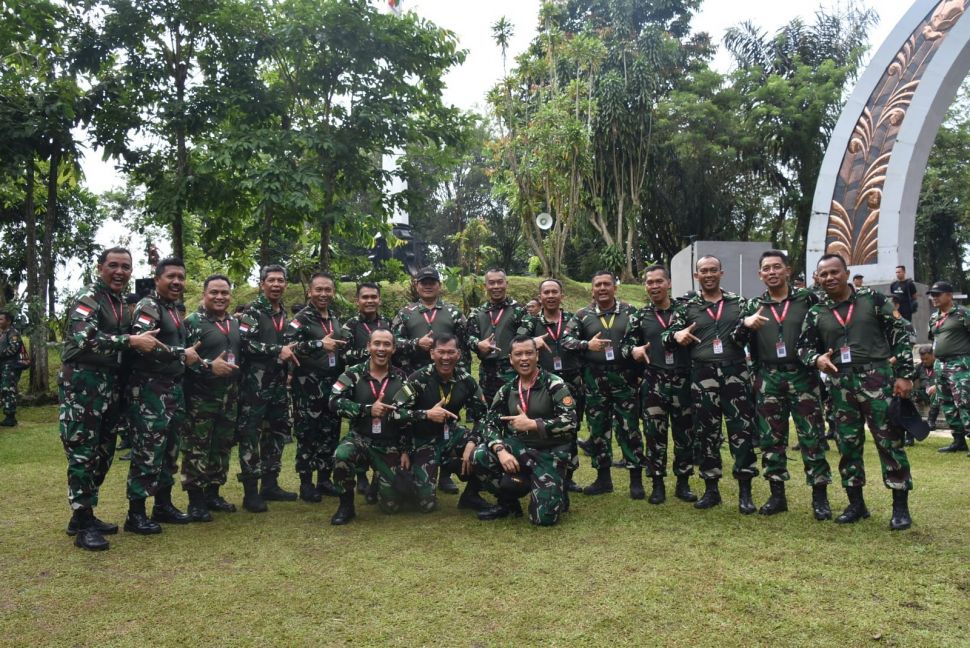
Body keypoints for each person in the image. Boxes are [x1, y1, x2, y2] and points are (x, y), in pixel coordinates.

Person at [797, 253, 916, 531]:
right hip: (840, 384)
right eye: (823, 274)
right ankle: (856, 504)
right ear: (818, 277)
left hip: (877, 379)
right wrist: (816, 359)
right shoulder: (817, 311)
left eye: (834, 272)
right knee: (847, 444)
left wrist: (905, 376)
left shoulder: (872, 300)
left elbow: (900, 332)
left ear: (847, 273)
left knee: (889, 441)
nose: (829, 278)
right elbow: (802, 347)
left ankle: (900, 507)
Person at [58, 248, 165, 550]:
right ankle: (83, 521)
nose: (120, 272)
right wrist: (130, 340)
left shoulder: (120, 302)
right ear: (100, 267)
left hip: (108, 388)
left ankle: (83, 516)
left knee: (103, 454)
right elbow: (83, 338)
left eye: (126, 267)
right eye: (113, 266)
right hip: (82, 386)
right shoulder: (88, 297)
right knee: (83, 453)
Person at [734, 251, 833, 520]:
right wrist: (745, 323)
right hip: (768, 377)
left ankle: (820, 497)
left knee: (812, 437)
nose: (772, 272)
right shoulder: (754, 304)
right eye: (766, 268)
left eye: (777, 267)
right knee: (770, 439)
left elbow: (826, 327)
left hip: (802, 375)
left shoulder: (807, 299)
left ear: (787, 271)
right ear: (760, 274)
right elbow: (735, 339)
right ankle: (777, 495)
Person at [663, 255, 759, 514]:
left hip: (735, 372)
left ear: (721, 273)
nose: (708, 274)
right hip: (702, 374)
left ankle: (745, 492)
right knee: (706, 433)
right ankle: (711, 489)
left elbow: (750, 332)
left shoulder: (739, 303)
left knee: (741, 431)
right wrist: (676, 334)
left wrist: (746, 325)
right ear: (697, 275)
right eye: (703, 271)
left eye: (713, 270)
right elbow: (665, 335)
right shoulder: (687, 307)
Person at [125, 257, 202, 535]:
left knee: (170, 451)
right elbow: (143, 344)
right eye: (171, 276)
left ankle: (163, 505)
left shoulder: (174, 310)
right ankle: (136, 514)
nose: (177, 282)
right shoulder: (149, 306)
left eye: (181, 277)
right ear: (157, 279)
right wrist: (182, 354)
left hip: (173, 389)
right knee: (148, 452)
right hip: (150, 391)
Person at [473, 335, 577, 526]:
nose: (524, 358)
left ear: (537, 355)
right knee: (480, 455)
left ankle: (554, 488)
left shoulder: (554, 385)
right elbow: (490, 424)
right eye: (518, 354)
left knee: (543, 519)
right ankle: (507, 501)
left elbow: (571, 422)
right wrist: (500, 450)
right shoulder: (506, 390)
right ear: (511, 359)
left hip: (549, 452)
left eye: (529, 353)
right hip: (519, 448)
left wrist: (533, 425)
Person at [562, 270, 646, 499]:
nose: (602, 288)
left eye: (606, 284)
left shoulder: (630, 312)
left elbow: (641, 340)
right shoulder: (582, 315)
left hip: (624, 379)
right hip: (594, 381)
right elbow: (565, 340)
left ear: (614, 287)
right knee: (598, 430)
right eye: (597, 285)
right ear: (592, 289)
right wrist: (586, 345)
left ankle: (635, 479)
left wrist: (639, 374)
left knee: (629, 429)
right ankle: (603, 478)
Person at [621, 265, 697, 505]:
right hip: (654, 381)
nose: (654, 286)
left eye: (658, 281)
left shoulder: (686, 311)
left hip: (683, 379)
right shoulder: (639, 316)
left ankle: (683, 483)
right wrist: (632, 350)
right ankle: (657, 483)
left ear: (669, 283)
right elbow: (624, 346)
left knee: (684, 434)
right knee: (655, 434)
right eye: (649, 282)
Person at [392, 333, 490, 512]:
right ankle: (418, 476)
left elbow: (483, 416)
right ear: (432, 354)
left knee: (484, 451)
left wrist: (472, 442)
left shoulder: (466, 380)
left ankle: (471, 495)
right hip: (422, 439)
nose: (446, 357)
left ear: (458, 354)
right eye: (441, 352)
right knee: (425, 505)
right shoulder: (418, 379)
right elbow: (395, 413)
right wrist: (426, 414)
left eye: (451, 352)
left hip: (450, 434)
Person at [392, 266, 468, 495]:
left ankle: (445, 475)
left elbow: (463, 346)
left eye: (432, 281)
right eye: (423, 281)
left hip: (447, 380)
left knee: (448, 422)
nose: (427, 285)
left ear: (439, 285)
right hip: (416, 380)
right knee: (415, 423)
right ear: (416, 285)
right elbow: (392, 343)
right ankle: (416, 466)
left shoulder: (453, 312)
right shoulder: (405, 313)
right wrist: (416, 344)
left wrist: (461, 377)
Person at [235, 264, 300, 512]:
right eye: (271, 280)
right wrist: (276, 350)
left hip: (278, 386)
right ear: (262, 284)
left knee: (277, 435)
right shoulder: (252, 313)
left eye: (280, 280)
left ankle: (270, 484)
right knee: (251, 436)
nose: (276, 285)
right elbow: (244, 343)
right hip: (255, 387)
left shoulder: (283, 313)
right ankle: (251, 492)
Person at [329, 328, 409, 525]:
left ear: (394, 349)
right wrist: (366, 410)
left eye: (387, 344)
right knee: (341, 457)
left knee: (391, 507)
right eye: (377, 344)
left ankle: (377, 482)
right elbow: (333, 401)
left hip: (389, 442)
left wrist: (405, 449)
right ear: (368, 346)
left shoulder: (401, 378)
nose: (381, 349)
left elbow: (408, 415)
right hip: (360, 438)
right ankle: (346, 505)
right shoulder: (352, 374)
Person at [180, 275, 243, 522]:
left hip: (229, 398)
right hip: (200, 399)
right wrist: (207, 367)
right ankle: (195, 501)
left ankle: (213, 494)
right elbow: (182, 359)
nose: (220, 297)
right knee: (197, 449)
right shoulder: (191, 323)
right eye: (214, 292)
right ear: (204, 294)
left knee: (222, 447)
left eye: (224, 293)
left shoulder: (235, 323)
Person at [285, 272, 347, 502]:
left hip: (332, 387)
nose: (323, 294)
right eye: (318, 290)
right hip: (307, 388)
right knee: (308, 434)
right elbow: (288, 345)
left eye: (327, 290)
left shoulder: (334, 317)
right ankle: (306, 483)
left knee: (330, 433)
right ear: (309, 292)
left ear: (333, 292)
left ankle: (324, 479)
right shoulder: (301, 318)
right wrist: (319, 343)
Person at [517, 278, 584, 493]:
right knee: (546, 426)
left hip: (572, 382)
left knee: (571, 428)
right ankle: (544, 470)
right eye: (546, 292)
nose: (551, 296)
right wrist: (532, 341)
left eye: (555, 291)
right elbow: (516, 342)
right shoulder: (531, 322)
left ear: (561, 295)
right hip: (542, 384)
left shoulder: (574, 320)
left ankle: (569, 475)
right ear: (540, 297)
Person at [341, 282, 392, 501]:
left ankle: (377, 479)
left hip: (385, 379)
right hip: (360, 380)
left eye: (374, 297)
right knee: (359, 424)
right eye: (365, 297)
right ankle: (360, 475)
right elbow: (344, 352)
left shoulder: (387, 323)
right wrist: (371, 352)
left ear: (379, 300)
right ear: (358, 300)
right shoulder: (350, 326)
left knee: (385, 425)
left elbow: (396, 345)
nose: (370, 301)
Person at [467, 268, 527, 403]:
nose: (496, 287)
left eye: (500, 282)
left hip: (513, 371)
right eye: (491, 283)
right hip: (487, 373)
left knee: (513, 409)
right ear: (485, 286)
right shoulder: (477, 313)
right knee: (488, 410)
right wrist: (478, 344)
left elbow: (526, 338)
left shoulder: (519, 311)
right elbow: (468, 337)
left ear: (506, 283)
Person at [927, 281, 970, 455]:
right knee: (947, 403)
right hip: (940, 364)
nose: (934, 298)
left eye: (938, 294)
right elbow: (934, 340)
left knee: (965, 402)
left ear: (950, 295)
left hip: (960, 364)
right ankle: (958, 441)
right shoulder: (933, 318)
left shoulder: (962, 314)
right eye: (932, 295)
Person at [0, 312, 25, 427]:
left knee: (8, 390)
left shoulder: (13, 333)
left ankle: (10, 417)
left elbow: (13, 349)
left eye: (1, 319)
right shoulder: (3, 333)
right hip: (3, 365)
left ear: (8, 321)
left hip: (10, 366)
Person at [913, 345, 940, 436]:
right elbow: (909, 378)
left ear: (933, 355)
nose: (924, 361)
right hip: (923, 393)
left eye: (926, 359)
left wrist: (937, 386)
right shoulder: (919, 367)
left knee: (937, 394)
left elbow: (948, 380)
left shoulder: (940, 365)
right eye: (922, 359)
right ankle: (913, 421)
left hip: (938, 392)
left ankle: (931, 421)